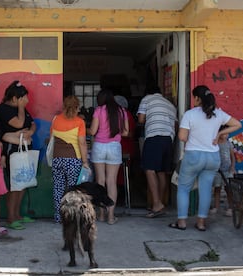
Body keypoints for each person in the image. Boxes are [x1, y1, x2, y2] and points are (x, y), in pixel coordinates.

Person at [168, 85, 241, 231]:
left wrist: (193, 138)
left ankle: (181, 222)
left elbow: (182, 137)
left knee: (183, 188)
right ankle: (201, 223)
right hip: (213, 157)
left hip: (194, 156)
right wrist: (220, 134)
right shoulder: (219, 114)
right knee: (206, 190)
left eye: (194, 97)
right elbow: (237, 124)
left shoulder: (190, 114)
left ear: (198, 98)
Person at [0, 80, 36, 230]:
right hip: (11, 150)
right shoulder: (4, 109)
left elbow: (32, 123)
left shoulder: (22, 109)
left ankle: (17, 214)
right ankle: (11, 218)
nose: (27, 100)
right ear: (14, 99)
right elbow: (19, 123)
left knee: (23, 183)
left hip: (24, 148)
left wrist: (30, 132)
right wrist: (21, 108)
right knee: (15, 184)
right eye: (23, 98)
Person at [89, 89, 128, 225]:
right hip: (114, 147)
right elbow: (125, 132)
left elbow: (93, 131)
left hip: (99, 146)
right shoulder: (121, 111)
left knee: (100, 181)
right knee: (112, 182)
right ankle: (111, 216)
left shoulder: (99, 110)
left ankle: (100, 214)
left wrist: (87, 129)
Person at [137, 86, 177, 218]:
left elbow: (141, 119)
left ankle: (156, 203)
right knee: (161, 171)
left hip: (154, 137)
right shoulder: (170, 105)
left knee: (149, 169)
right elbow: (175, 125)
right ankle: (160, 203)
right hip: (168, 140)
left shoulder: (147, 99)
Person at [50, 95, 89, 223]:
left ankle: (58, 216)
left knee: (58, 187)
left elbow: (52, 138)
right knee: (73, 190)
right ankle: (72, 217)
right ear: (77, 107)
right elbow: (82, 143)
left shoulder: (55, 119)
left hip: (57, 158)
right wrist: (85, 161)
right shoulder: (80, 122)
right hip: (73, 159)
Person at [210, 125, 236, 217]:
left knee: (228, 189)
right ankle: (216, 207)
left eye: (228, 133)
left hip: (227, 171)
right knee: (217, 189)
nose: (226, 135)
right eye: (224, 133)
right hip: (217, 171)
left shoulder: (229, 144)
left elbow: (233, 157)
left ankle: (230, 208)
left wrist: (232, 167)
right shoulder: (215, 144)